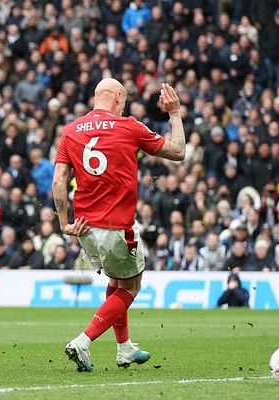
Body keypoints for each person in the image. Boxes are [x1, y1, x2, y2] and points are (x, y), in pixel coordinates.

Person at [53, 79, 186, 372]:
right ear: (116, 97)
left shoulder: (71, 130)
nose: (123, 106)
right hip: (115, 226)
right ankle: (83, 341)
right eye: (123, 100)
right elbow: (178, 151)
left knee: (115, 281)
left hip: (84, 228)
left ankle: (124, 348)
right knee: (132, 285)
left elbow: (59, 181)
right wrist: (174, 113)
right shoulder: (129, 126)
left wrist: (64, 223)